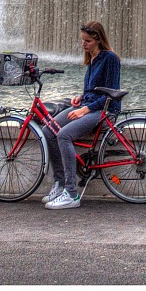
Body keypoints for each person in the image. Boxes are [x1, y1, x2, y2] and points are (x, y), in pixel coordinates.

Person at [43, 21, 121, 209]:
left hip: (104, 110)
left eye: (87, 41)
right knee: (48, 130)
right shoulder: (92, 59)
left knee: (64, 135)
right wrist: (81, 98)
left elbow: (109, 94)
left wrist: (86, 109)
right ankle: (60, 183)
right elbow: (94, 90)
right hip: (89, 105)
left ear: (98, 40)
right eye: (82, 41)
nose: (83, 44)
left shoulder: (110, 59)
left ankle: (71, 194)